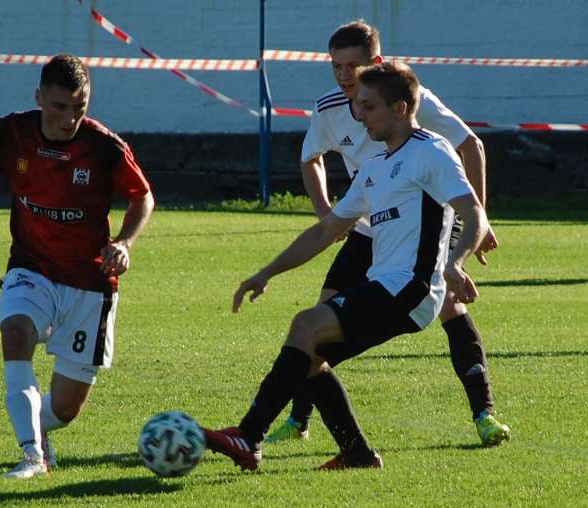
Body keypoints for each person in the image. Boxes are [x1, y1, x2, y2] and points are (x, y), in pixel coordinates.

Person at [204, 61, 491, 470]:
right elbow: (325, 232)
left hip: (412, 287)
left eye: (368, 106)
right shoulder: (374, 168)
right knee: (307, 354)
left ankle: (249, 436)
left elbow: (473, 213)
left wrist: (455, 264)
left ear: (399, 108)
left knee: (306, 325)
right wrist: (265, 272)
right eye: (357, 106)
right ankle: (356, 452)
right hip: (388, 285)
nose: (358, 115)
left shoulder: (432, 152)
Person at [265, 20, 509, 447]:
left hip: (421, 219)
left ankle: (484, 413)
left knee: (449, 304)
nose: (343, 76)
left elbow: (472, 146)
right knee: (322, 314)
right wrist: (326, 213)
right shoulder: (328, 107)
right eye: (336, 66)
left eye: (353, 66)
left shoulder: (409, 100)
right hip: (368, 221)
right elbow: (311, 158)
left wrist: (479, 217)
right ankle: (299, 419)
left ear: (375, 63)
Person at [0, 54, 155, 479]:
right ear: (39, 97)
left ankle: (40, 427)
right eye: (60, 107)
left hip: (89, 282)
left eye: (79, 108)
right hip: (31, 267)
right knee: (14, 331)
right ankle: (33, 455)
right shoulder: (11, 133)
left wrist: (124, 242)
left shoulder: (104, 147)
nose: (69, 118)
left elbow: (142, 196)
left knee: (66, 408)